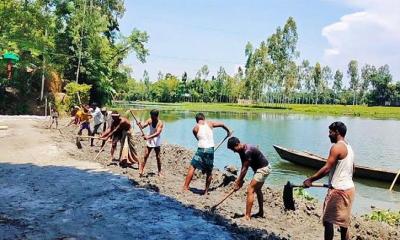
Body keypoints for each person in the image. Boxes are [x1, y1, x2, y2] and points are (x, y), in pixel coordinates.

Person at [303, 121, 355, 240]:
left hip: (339, 191)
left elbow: (327, 168)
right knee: (343, 224)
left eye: (330, 132)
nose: (328, 135)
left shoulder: (336, 147)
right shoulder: (349, 147)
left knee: (328, 220)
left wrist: (310, 180)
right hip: (350, 189)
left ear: (337, 132)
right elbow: (353, 169)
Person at [183, 112, 231, 195]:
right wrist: (228, 131)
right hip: (210, 150)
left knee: (192, 167)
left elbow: (198, 139)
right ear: (204, 118)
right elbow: (222, 124)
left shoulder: (195, 128)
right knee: (209, 171)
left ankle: (185, 187)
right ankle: (206, 191)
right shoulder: (210, 123)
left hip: (201, 149)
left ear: (197, 120)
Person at [227, 137, 271, 220]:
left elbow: (245, 169)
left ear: (237, 144)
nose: (234, 151)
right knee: (257, 190)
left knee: (250, 189)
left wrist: (238, 182)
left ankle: (247, 216)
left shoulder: (247, 151)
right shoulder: (241, 150)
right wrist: (240, 180)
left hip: (263, 169)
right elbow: (243, 166)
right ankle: (261, 212)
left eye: (233, 149)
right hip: (261, 169)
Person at [137, 109, 164, 177]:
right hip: (149, 140)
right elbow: (142, 127)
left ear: (156, 116)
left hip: (156, 140)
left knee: (158, 157)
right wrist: (139, 124)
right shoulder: (149, 120)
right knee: (146, 155)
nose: (151, 117)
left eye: (152, 116)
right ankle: (141, 170)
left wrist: (148, 137)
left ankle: (159, 172)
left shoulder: (160, 123)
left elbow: (157, 133)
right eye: (151, 116)